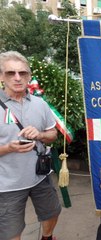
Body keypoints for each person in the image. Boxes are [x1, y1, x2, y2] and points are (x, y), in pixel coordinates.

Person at [0, 51, 61, 240]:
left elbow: (53, 135)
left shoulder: (40, 104)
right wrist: (9, 148)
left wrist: (41, 135)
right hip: (7, 185)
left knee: (52, 212)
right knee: (10, 232)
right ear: (1, 76)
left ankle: (47, 237)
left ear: (29, 75)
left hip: (40, 176)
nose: (17, 78)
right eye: (11, 73)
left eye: (22, 73)